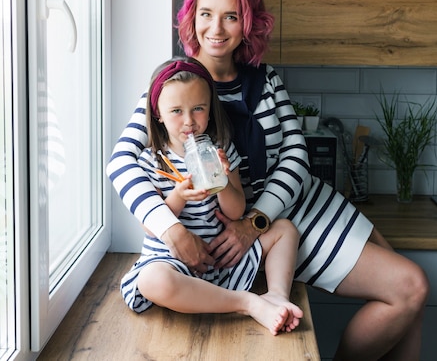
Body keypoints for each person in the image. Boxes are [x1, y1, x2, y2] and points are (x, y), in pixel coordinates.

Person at [108, 0, 429, 361]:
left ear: (248, 23)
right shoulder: (174, 86)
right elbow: (121, 162)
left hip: (295, 205)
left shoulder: (266, 80)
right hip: (260, 223)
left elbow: (297, 156)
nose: (217, 28)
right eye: (206, 14)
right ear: (192, 19)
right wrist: (171, 230)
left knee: (413, 292)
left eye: (231, 15)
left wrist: (254, 222)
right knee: (410, 287)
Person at [112, 56, 303, 336]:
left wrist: (223, 182)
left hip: (220, 261)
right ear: (158, 115)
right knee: (152, 281)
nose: (189, 121)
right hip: (171, 262)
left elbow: (237, 211)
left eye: (198, 109)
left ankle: (275, 295)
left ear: (210, 111)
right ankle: (246, 303)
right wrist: (178, 197)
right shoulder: (152, 161)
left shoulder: (221, 150)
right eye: (176, 111)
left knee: (285, 229)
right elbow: (149, 226)